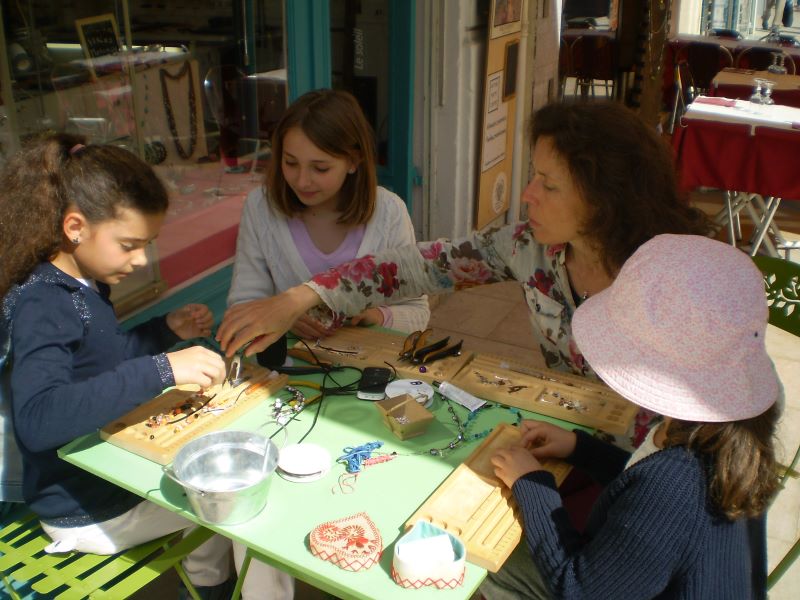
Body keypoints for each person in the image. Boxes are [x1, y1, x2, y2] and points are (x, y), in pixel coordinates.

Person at [217, 100, 712, 445]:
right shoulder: (528, 248)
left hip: (649, 473)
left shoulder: (677, 277)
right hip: (569, 437)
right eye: (531, 176)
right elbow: (414, 268)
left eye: (548, 184)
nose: (527, 195)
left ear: (605, 196)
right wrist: (301, 297)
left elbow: (695, 427)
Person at [483, 233, 780, 599]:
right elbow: (645, 477)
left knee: (487, 560)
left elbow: (578, 590)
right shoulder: (722, 434)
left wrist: (532, 485)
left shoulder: (673, 488)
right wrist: (581, 448)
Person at [0, 135, 235, 597]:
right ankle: (213, 589)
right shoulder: (43, 304)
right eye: (129, 244)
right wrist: (162, 369)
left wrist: (164, 330)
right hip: (86, 509)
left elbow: (99, 363)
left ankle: (208, 582)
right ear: (75, 227)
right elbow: (39, 419)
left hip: (105, 478)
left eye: (147, 244)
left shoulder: (80, 284)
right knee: (227, 503)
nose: (142, 259)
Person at [227, 88, 429, 367]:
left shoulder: (389, 212)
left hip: (369, 371)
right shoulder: (261, 207)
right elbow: (242, 308)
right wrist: (285, 315)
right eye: (290, 163)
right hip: (288, 375)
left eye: (320, 168)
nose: (301, 181)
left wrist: (377, 317)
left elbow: (417, 311)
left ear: (354, 161)